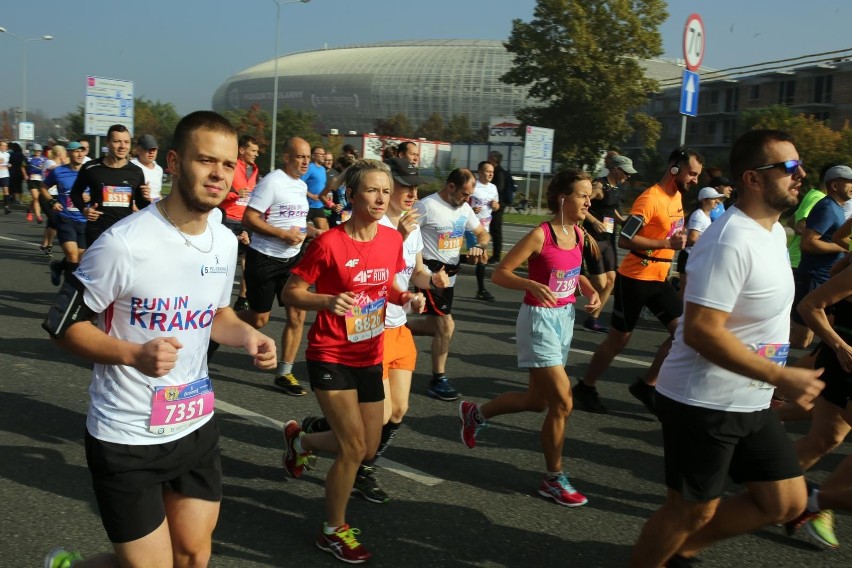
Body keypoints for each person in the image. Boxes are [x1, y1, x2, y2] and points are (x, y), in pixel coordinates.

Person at [42, 110, 277, 568]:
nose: (218, 175)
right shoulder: (124, 243)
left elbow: (216, 314)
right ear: (173, 162)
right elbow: (62, 325)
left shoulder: (226, 241)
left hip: (195, 424)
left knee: (192, 554)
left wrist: (247, 335)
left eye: (228, 165)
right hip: (126, 435)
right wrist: (133, 353)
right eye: (206, 160)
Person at [629, 129, 825, 568]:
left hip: (751, 399)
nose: (801, 175)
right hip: (703, 401)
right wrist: (781, 374)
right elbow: (700, 330)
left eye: (800, 165)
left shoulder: (773, 235)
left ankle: (683, 551)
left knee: (786, 502)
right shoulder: (728, 240)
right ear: (753, 179)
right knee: (691, 509)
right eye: (789, 168)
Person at [279, 159, 414, 564]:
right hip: (330, 354)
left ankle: (300, 441)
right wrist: (326, 300)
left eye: (385, 191)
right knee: (353, 447)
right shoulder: (329, 243)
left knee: (368, 447)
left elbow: (386, 285)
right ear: (351, 195)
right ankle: (333, 530)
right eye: (372, 190)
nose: (380, 198)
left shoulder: (391, 240)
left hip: (369, 352)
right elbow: (291, 292)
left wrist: (405, 297)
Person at [458, 169, 601, 507]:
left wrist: (589, 288)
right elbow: (500, 273)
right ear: (563, 198)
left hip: (564, 320)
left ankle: (476, 414)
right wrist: (530, 284)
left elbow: (572, 273)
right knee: (563, 402)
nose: (589, 201)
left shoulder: (578, 234)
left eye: (589, 195)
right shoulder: (541, 234)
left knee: (538, 401)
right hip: (538, 321)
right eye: (583, 195)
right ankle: (553, 478)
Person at [573, 147, 703, 415]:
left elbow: (672, 231)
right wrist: (666, 243)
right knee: (618, 341)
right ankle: (585, 387)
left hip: (659, 278)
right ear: (675, 169)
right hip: (634, 279)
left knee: (683, 334)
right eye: (692, 174)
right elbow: (625, 239)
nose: (695, 180)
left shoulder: (676, 196)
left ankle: (647, 385)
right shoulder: (650, 199)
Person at [236, 137, 322, 395]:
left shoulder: (299, 185)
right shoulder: (272, 182)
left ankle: (285, 373)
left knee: (298, 315)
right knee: (259, 319)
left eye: (307, 156)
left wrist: (313, 232)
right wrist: (282, 236)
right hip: (264, 258)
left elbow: (294, 222)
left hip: (293, 261)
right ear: (286, 157)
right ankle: (218, 326)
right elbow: (248, 218)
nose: (305, 161)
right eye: (300, 156)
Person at [406, 168, 490, 401]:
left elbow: (483, 234)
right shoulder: (426, 206)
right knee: (446, 326)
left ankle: (391, 329)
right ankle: (438, 379)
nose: (467, 199)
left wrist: (479, 247)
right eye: (464, 193)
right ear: (451, 186)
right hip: (429, 275)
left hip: (450, 277)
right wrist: (417, 267)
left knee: (435, 325)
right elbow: (404, 235)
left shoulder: (463, 208)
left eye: (470, 195)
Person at [787, 250, 852, 549]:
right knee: (824, 438)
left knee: (825, 439)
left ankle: (772, 487)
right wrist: (840, 345)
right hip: (843, 362)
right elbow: (810, 305)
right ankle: (816, 502)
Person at [791, 165, 852, 349]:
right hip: (813, 276)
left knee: (811, 336)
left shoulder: (838, 208)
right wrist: (843, 249)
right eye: (849, 182)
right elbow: (808, 243)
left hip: (824, 277)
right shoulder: (827, 207)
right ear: (834, 185)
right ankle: (762, 356)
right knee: (801, 338)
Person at [581, 154, 636, 333]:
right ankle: (573, 283)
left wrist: (625, 222)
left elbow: (611, 210)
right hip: (594, 239)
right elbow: (581, 205)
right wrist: (593, 220)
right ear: (616, 169)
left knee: (611, 282)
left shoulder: (616, 188)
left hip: (608, 239)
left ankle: (593, 319)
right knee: (601, 283)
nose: (628, 176)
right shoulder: (598, 186)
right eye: (626, 173)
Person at [70, 124, 148, 248]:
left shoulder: (136, 172)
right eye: (117, 141)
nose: (122, 146)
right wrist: (84, 210)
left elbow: (141, 205)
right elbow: (75, 193)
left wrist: (146, 198)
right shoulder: (91, 168)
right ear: (107, 143)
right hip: (97, 232)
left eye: (126, 142)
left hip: (124, 232)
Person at [220, 134, 260, 311]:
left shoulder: (255, 170)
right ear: (242, 150)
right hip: (228, 218)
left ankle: (242, 298)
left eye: (257, 151)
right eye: (253, 150)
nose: (256, 154)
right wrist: (236, 194)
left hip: (245, 220)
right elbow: (220, 190)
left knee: (248, 260)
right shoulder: (231, 166)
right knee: (225, 261)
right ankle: (219, 299)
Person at [44, 143, 88, 286]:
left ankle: (58, 267)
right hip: (65, 217)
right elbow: (43, 187)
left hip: (84, 219)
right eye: (76, 152)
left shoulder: (88, 172)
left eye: (82, 152)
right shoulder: (58, 172)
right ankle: (69, 290)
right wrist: (52, 202)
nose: (80, 155)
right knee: (72, 255)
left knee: (80, 258)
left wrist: (90, 198)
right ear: (69, 153)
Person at [676, 186, 724, 296]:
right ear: (704, 200)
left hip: (696, 258)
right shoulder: (698, 215)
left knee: (690, 293)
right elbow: (692, 238)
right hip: (688, 258)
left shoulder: (705, 216)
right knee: (685, 293)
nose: (717, 201)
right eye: (713, 198)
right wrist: (709, 244)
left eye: (717, 198)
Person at [467, 160, 500, 301]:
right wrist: (471, 209)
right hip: (472, 226)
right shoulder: (473, 185)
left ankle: (445, 263)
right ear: (480, 172)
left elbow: (497, 207)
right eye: (488, 171)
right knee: (482, 257)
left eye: (492, 171)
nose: (491, 174)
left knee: (475, 259)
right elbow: (463, 202)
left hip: (485, 228)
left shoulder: (493, 188)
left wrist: (495, 205)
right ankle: (481, 290)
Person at [487, 150, 514, 263]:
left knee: (496, 231)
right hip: (494, 205)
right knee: (492, 230)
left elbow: (498, 189)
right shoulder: (497, 171)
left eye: (489, 158)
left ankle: (496, 257)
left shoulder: (498, 173)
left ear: (494, 159)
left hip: (497, 206)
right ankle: (492, 255)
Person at [130, 134, 164, 202]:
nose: (151, 152)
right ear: (139, 150)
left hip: (155, 208)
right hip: (139, 208)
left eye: (154, 149)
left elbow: (158, 193)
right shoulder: (132, 166)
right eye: (148, 149)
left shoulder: (159, 169)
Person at [303, 146, 330, 231]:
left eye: (324, 154)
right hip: (307, 206)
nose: (323, 156)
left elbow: (321, 185)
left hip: (318, 205)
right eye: (320, 154)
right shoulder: (309, 168)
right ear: (314, 156)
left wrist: (326, 195)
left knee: (325, 232)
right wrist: (311, 195)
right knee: (301, 231)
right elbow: (299, 184)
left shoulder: (322, 169)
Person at [25, 143, 47, 223]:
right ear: (33, 151)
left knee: (36, 198)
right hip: (32, 179)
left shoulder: (44, 159)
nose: (38, 152)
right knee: (35, 197)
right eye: (36, 150)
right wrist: (25, 175)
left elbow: (47, 168)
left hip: (41, 180)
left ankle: (30, 210)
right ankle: (38, 217)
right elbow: (22, 167)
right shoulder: (29, 159)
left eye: (39, 151)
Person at [0, 140, 11, 214]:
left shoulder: (8, 154)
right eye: (3, 145)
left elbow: (7, 163)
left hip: (5, 174)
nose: (5, 147)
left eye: (6, 146)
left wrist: (8, 165)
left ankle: (6, 207)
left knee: (6, 190)